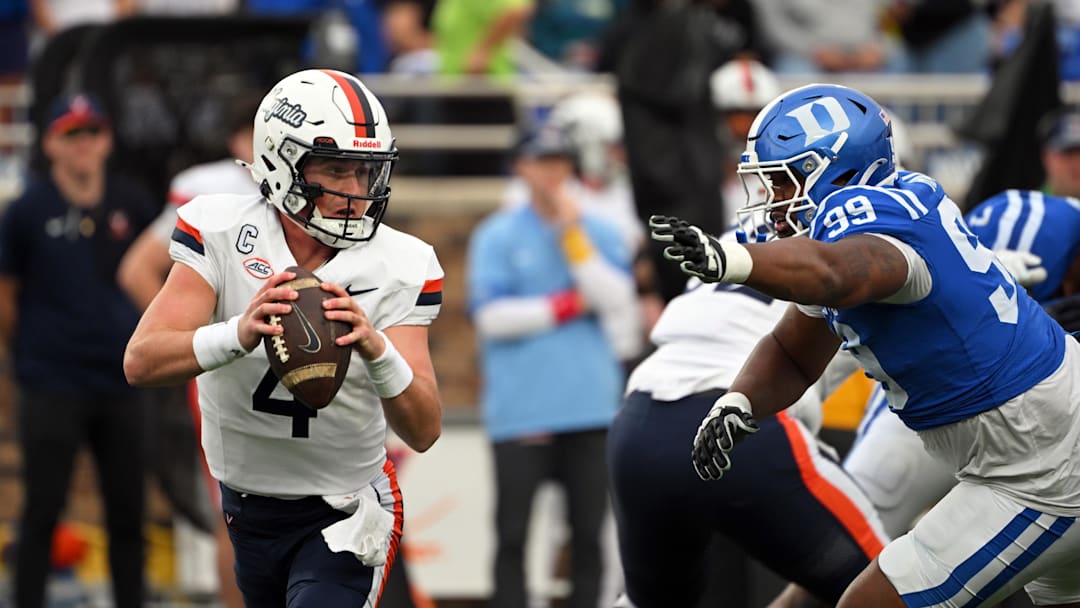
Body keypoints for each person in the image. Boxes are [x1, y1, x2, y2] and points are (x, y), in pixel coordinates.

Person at [649, 83, 1080, 606]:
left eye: (782, 183)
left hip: (1040, 462)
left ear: (840, 170)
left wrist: (734, 260)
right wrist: (738, 402)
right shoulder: (849, 236)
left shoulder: (872, 221)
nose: (771, 201)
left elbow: (837, 275)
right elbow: (792, 350)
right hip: (1021, 450)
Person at [123, 69, 444, 606]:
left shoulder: (401, 264)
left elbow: (425, 428)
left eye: (366, 172)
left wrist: (377, 348)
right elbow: (140, 361)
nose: (354, 192)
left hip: (345, 511)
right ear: (281, 161)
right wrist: (237, 333)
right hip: (248, 508)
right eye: (336, 170)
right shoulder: (223, 231)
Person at [609, 235, 890, 607]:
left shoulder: (738, 233)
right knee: (894, 589)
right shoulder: (860, 236)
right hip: (743, 424)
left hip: (640, 423)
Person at [466, 126, 639, 608]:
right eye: (541, 162)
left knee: (588, 533)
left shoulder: (597, 230)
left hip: (589, 407)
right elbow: (491, 318)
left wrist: (572, 235)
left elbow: (615, 299)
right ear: (520, 167)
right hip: (521, 408)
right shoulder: (497, 234)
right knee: (512, 533)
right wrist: (564, 306)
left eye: (560, 162)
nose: (552, 173)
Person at [0, 92, 156, 608]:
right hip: (51, 380)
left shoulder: (131, 202)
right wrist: (26, 353)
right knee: (42, 509)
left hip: (121, 380)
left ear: (107, 140)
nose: (84, 144)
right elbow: (7, 293)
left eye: (92, 132)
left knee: (128, 514)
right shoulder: (27, 209)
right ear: (50, 144)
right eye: (72, 134)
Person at [117, 93, 260, 608]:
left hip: (295, 375)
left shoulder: (314, 193)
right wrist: (202, 341)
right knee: (239, 512)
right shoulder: (214, 193)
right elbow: (138, 268)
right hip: (230, 372)